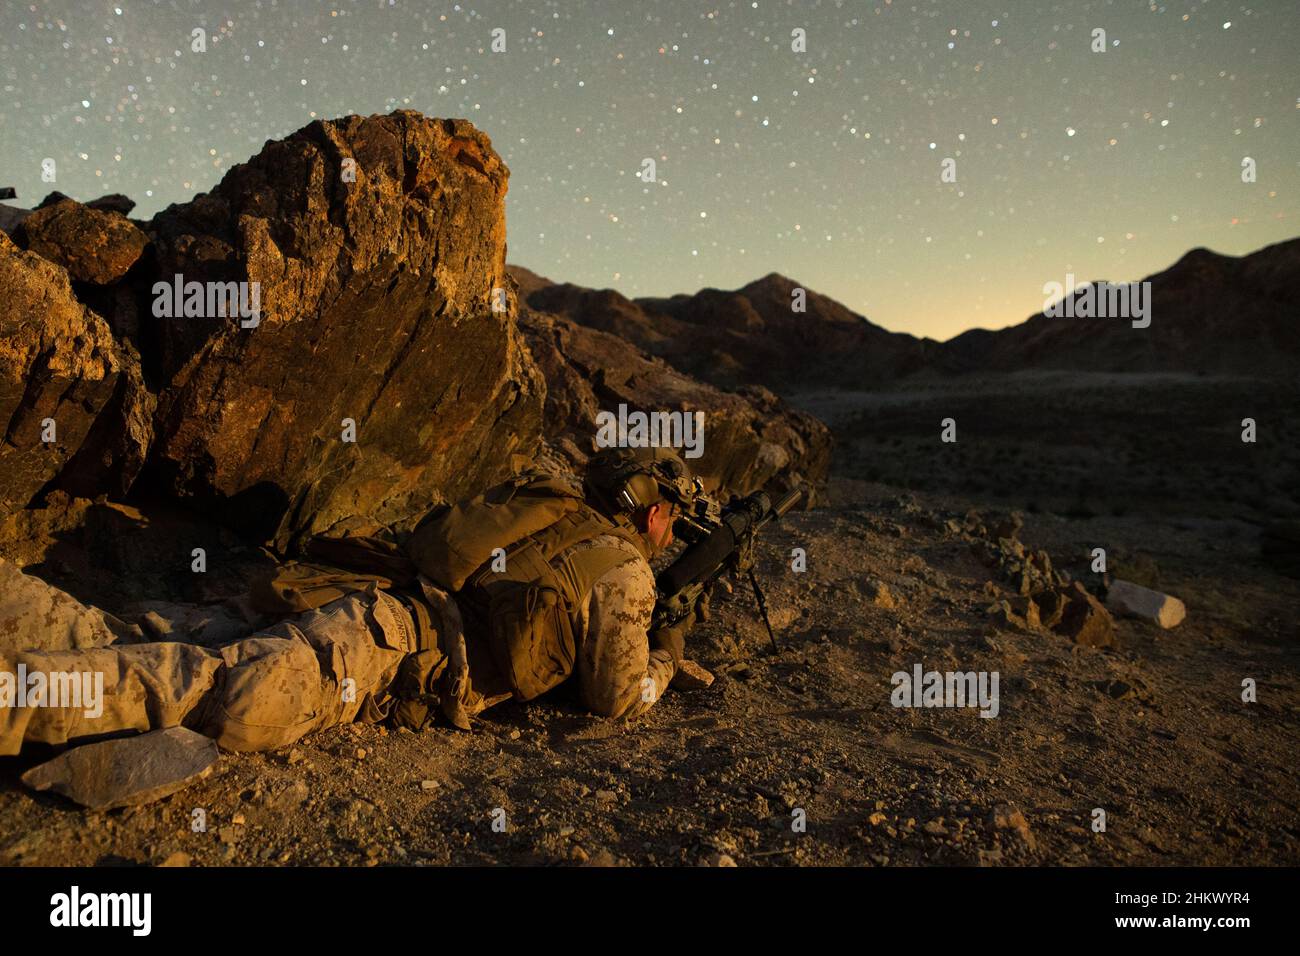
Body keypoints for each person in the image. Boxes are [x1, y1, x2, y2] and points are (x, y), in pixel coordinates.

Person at [0, 447, 705, 756]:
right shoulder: (624, 569)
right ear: (651, 514)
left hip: (351, 591)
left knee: (131, 629)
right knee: (217, 692)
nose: (668, 530)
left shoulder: (547, 508)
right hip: (378, 641)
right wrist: (666, 660)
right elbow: (615, 697)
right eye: (669, 515)